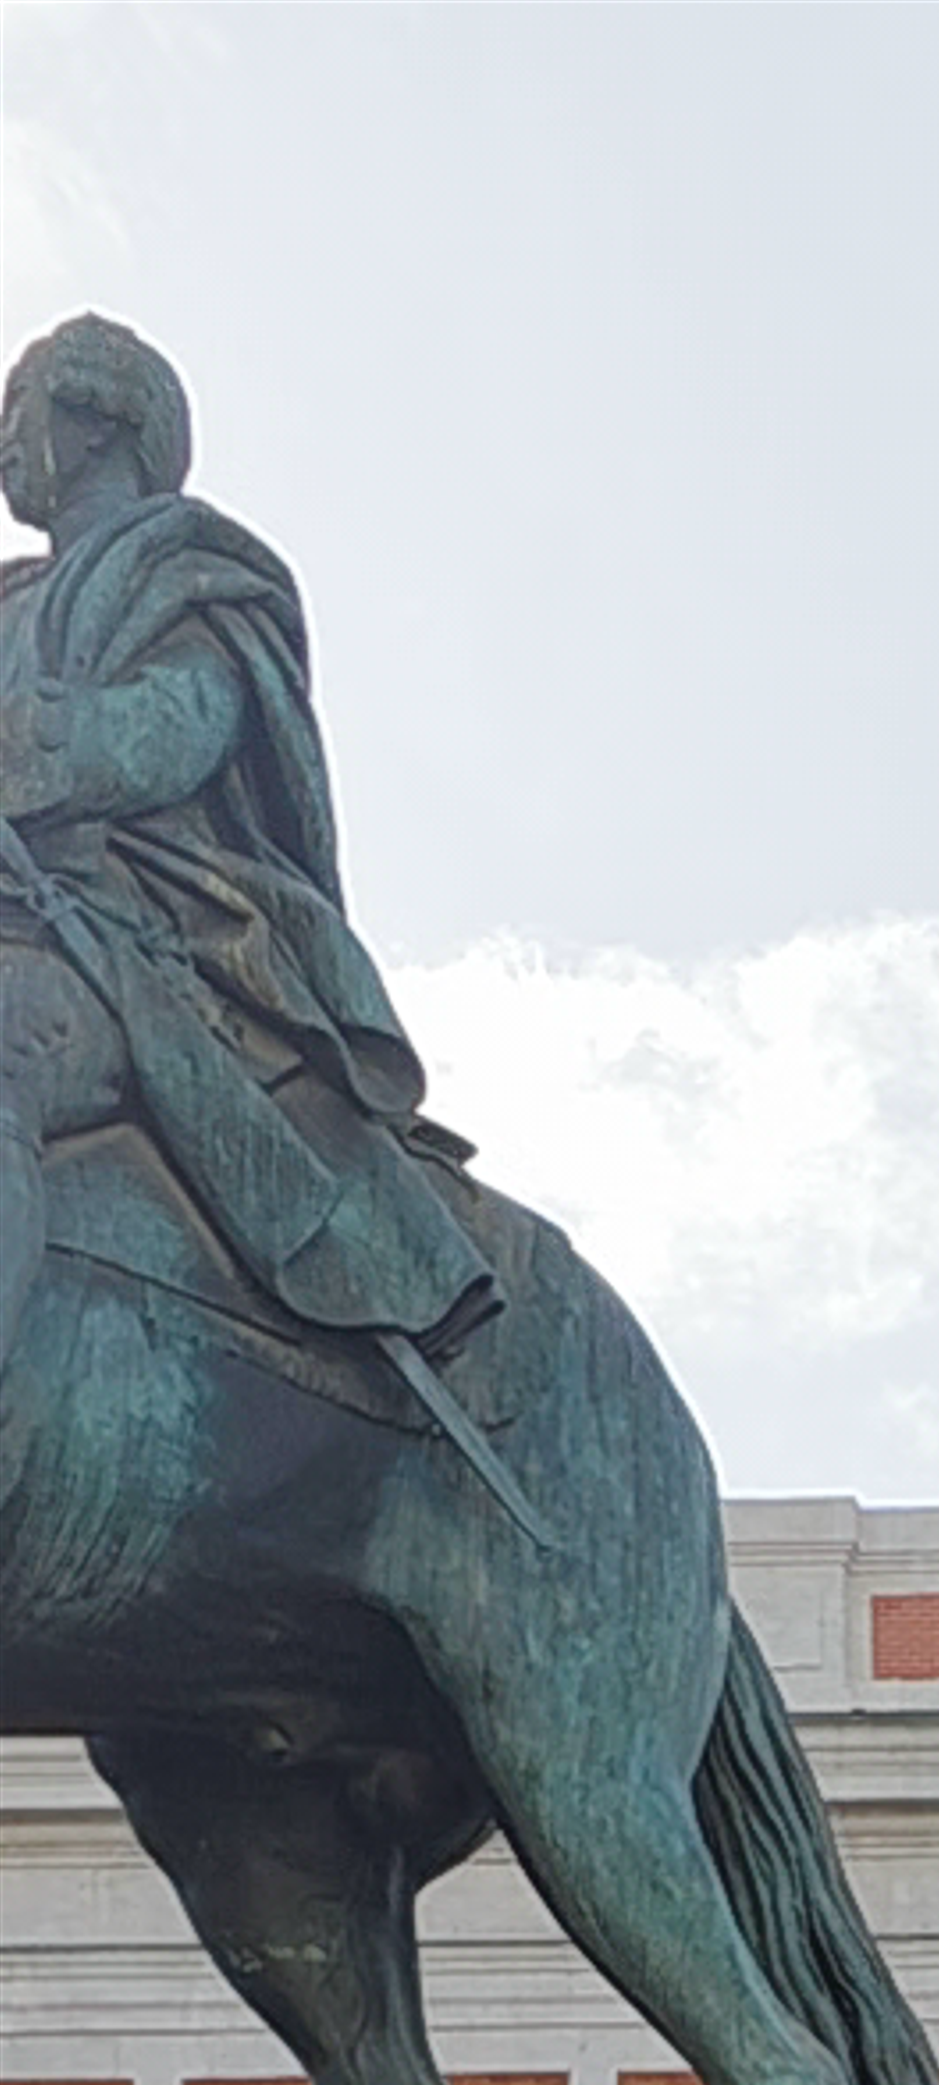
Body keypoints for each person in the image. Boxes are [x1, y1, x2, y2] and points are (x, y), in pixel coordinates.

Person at [0, 311, 500, 1388]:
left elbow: (166, 733)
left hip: (117, 939)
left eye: (18, 406)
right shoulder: (10, 598)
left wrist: (38, 750)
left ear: (99, 418)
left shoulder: (192, 576)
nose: (3, 437)